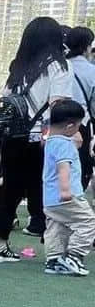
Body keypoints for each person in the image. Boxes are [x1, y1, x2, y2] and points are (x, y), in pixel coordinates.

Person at [0, 17, 73, 264]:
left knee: (10, 191)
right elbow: (59, 105)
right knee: (47, 192)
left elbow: (6, 101)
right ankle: (55, 249)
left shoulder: (18, 67)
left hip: (12, 138)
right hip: (40, 139)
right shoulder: (58, 65)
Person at [41, 99, 95, 276]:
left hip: (50, 198)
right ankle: (74, 255)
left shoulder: (50, 141)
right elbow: (63, 168)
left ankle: (54, 260)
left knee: (57, 226)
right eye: (79, 125)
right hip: (66, 196)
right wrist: (66, 191)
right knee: (88, 221)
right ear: (70, 126)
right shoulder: (65, 144)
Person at [64, 26, 95, 189]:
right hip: (81, 126)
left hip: (56, 125)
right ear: (87, 46)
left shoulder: (59, 67)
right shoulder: (91, 71)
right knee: (79, 169)